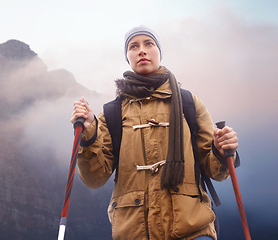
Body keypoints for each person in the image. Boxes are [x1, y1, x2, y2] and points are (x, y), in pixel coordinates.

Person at [70, 26, 239, 240]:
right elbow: (94, 178)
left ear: (159, 52)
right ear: (128, 57)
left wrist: (221, 148)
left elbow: (215, 170)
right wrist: (89, 135)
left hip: (192, 231)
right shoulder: (112, 113)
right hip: (135, 233)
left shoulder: (188, 103)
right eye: (134, 46)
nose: (142, 50)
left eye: (149, 44)